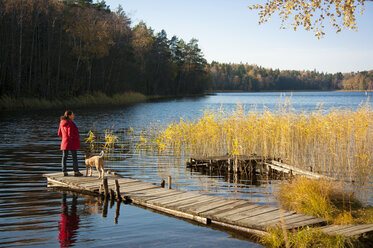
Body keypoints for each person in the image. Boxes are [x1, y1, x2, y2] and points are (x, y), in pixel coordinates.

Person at [58, 110, 83, 177]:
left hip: (64, 142)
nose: (73, 116)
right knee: (74, 157)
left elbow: (59, 134)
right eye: (72, 114)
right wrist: (75, 137)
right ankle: (76, 171)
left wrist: (64, 138)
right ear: (69, 116)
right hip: (71, 142)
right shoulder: (70, 123)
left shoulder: (62, 122)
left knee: (64, 157)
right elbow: (70, 133)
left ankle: (64, 171)